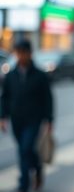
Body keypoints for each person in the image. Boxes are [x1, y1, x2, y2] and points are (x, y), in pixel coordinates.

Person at [0, 39, 53, 192]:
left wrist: (49, 120)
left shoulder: (40, 75)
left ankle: (24, 183)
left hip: (34, 120)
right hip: (17, 120)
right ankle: (37, 168)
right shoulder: (11, 75)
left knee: (25, 148)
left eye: (24, 53)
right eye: (18, 53)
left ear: (30, 53)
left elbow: (47, 98)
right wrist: (3, 117)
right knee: (25, 149)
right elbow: (5, 97)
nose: (21, 56)